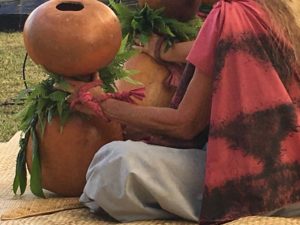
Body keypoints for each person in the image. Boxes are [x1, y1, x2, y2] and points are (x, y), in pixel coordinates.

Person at [65, 0, 300, 223]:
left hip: (257, 183)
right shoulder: (271, 9)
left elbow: (185, 125)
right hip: (291, 172)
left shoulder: (229, 15)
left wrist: (104, 104)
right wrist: (165, 51)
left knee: (116, 164)